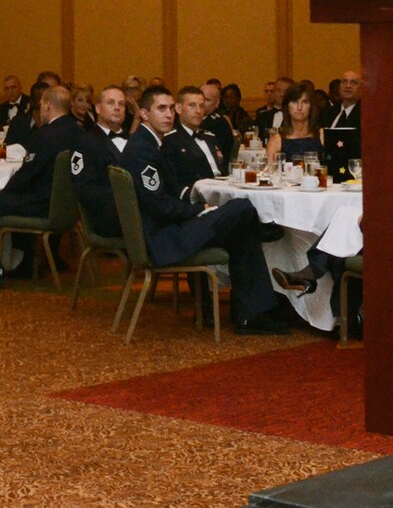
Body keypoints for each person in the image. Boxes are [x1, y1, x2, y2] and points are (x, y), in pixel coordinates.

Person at [119, 87, 288, 334]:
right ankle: (252, 312)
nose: (168, 115)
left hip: (166, 227)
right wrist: (199, 209)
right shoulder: (143, 149)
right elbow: (159, 205)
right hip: (163, 238)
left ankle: (251, 315)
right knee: (241, 208)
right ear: (144, 114)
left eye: (169, 108)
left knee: (241, 227)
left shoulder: (151, 143)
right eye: (160, 109)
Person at [0, 86, 91, 287]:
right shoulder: (79, 132)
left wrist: (2, 192)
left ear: (48, 105)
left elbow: (27, 176)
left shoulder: (45, 135)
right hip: (67, 208)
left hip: (40, 205)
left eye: (42, 105)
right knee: (7, 200)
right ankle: (25, 263)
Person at [165, 88, 229, 188]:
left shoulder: (210, 137)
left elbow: (223, 170)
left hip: (223, 187)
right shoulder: (171, 140)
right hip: (198, 193)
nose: (198, 111)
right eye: (192, 105)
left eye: (201, 106)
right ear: (178, 108)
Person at [266, 83, 324, 166]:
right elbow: (270, 173)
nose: (299, 107)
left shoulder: (322, 136)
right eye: (295, 102)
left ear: (311, 107)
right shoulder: (276, 141)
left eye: (305, 102)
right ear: (287, 107)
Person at [322, 70, 363, 171]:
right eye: (344, 82)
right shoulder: (328, 112)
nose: (348, 86)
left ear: (362, 88)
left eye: (354, 83)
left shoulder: (366, 114)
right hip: (327, 170)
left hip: (354, 171)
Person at [93, 85, 133, 152]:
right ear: (98, 108)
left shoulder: (135, 141)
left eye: (121, 104)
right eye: (110, 102)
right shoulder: (85, 143)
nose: (117, 107)